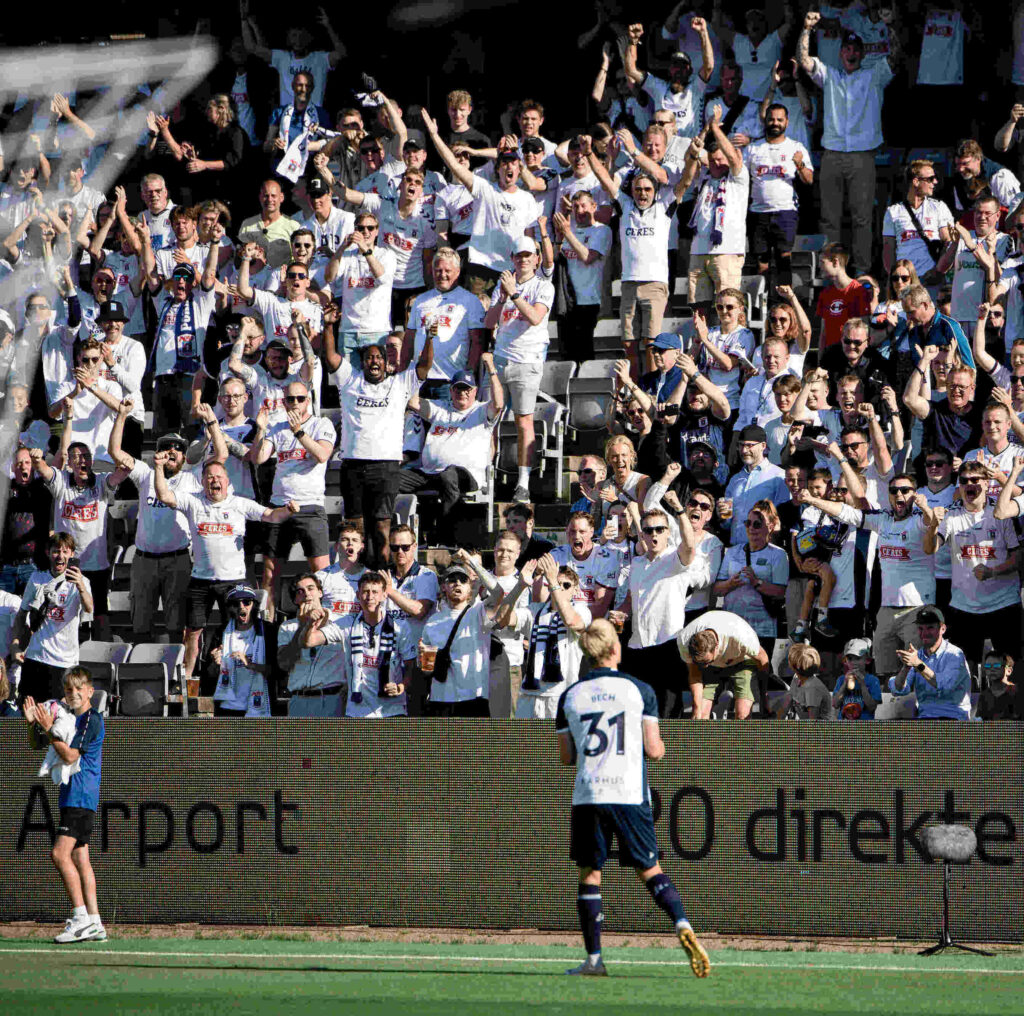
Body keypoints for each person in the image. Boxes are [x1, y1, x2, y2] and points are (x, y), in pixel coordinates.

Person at [556, 617, 710, 979]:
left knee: (591, 874)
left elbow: (566, 757)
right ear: (614, 649)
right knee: (650, 869)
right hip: (628, 792)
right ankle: (681, 923)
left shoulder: (571, 695)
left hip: (589, 793)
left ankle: (594, 960)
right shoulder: (639, 690)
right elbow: (654, 750)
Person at [154, 456, 299, 679]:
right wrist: (157, 467)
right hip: (200, 579)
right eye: (209, 477)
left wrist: (288, 510)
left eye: (219, 476)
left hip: (233, 581)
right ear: (202, 482)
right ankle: (186, 682)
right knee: (192, 632)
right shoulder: (194, 501)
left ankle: (233, 675)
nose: (214, 480)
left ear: (227, 481)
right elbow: (164, 495)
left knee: (235, 631)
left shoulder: (238, 503)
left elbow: (271, 515)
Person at [797, 473, 940, 682]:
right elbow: (843, 515)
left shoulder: (911, 519)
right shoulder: (880, 519)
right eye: (893, 491)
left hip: (909, 608)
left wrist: (926, 508)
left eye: (905, 490)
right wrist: (811, 500)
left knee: (915, 672)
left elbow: (930, 525)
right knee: (881, 673)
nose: (899, 494)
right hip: (881, 609)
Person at [798, 11, 900, 275]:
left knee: (862, 219)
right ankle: (832, 270)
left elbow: (896, 58)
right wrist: (807, 30)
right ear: (841, 52)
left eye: (856, 49)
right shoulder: (829, 75)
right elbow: (805, 61)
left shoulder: (874, 75)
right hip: (832, 154)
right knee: (829, 219)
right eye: (847, 49)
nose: (851, 53)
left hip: (862, 157)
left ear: (862, 54)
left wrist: (890, 27)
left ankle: (863, 271)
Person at [108, 403, 204, 645]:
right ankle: (142, 669)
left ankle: (175, 675)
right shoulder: (145, 474)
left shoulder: (192, 479)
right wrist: (121, 415)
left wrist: (211, 423)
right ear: (156, 453)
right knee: (140, 624)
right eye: (165, 448)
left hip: (178, 559)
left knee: (176, 625)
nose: (171, 452)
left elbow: (220, 456)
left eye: (177, 449)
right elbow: (116, 452)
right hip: (144, 560)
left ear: (184, 456)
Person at [23, 666, 106, 942]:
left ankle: (81, 918)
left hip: (81, 795)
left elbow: (70, 757)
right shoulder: (68, 716)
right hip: (72, 795)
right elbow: (39, 744)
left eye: (78, 689)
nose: (73, 694)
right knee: (81, 857)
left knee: (59, 854)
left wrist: (48, 728)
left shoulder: (91, 719)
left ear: (90, 691)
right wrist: (35, 725)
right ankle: (95, 922)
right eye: (69, 689)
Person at [247, 380, 335, 617]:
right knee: (269, 572)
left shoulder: (321, 424)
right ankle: (269, 625)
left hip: (310, 505)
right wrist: (261, 430)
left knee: (321, 572)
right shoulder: (277, 426)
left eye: (300, 398)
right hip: (280, 506)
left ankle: (325, 623)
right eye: (289, 399)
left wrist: (299, 432)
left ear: (309, 400)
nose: (295, 403)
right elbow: (258, 458)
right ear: (283, 402)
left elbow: (322, 454)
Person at [483, 237, 554, 502]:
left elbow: (535, 318)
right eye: (519, 255)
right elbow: (489, 323)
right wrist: (502, 298)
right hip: (501, 359)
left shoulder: (543, 286)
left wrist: (513, 294)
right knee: (490, 419)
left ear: (537, 258)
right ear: (512, 258)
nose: (523, 260)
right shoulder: (503, 287)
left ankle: (523, 483)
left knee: (524, 420)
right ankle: (485, 476)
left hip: (527, 360)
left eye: (528, 255)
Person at [609, 503, 697, 717]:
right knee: (637, 714)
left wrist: (679, 511)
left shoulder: (675, 559)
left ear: (668, 533)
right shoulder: (637, 564)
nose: (654, 534)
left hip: (668, 646)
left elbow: (690, 546)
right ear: (643, 535)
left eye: (660, 529)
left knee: (667, 716)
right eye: (649, 530)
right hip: (638, 647)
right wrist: (620, 613)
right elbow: (630, 600)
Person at [400, 361, 503, 543]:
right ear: (451, 390)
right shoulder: (441, 408)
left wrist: (491, 369)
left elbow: (499, 403)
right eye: (458, 389)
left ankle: (446, 539)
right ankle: (400, 536)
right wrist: (417, 371)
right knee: (392, 478)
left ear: (475, 391)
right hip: (431, 473)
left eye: (467, 389)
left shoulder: (481, 410)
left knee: (449, 475)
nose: (462, 393)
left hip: (467, 475)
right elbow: (413, 401)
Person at [933, 459, 1020, 671]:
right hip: (964, 606)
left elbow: (1019, 557)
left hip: (1003, 603)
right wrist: (932, 525)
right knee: (964, 671)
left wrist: (993, 571)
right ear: (959, 485)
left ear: (987, 484)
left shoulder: (1001, 512)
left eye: (975, 480)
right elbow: (932, 547)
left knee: (1011, 669)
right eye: (964, 481)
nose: (969, 484)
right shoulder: (951, 513)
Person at [301, 570, 416, 719]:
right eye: (365, 592)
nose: (370, 597)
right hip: (356, 711)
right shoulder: (348, 624)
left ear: (384, 595)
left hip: (391, 711)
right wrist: (310, 624)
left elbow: (411, 666)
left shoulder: (400, 627)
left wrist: (401, 687)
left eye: (375, 592)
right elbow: (309, 641)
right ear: (357, 595)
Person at [11, 533, 92, 704]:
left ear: (71, 554)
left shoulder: (81, 581)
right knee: (29, 713)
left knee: (59, 716)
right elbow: (21, 614)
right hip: (36, 657)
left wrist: (81, 587)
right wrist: (16, 645)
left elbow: (89, 608)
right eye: (56, 551)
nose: (60, 556)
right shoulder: (37, 578)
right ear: (48, 553)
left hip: (64, 661)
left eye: (65, 551)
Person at [419, 562, 505, 716]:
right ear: (444, 587)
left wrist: (470, 560)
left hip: (473, 698)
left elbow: (498, 593)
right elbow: (426, 671)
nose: (457, 583)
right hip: (440, 699)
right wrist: (425, 658)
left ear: (469, 587)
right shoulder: (432, 621)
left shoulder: (478, 612)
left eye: (463, 580)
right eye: (452, 580)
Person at [744, 104, 813, 288]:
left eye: (779, 120)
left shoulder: (795, 147)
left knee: (784, 259)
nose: (775, 123)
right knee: (761, 262)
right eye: (772, 119)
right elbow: (739, 176)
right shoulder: (753, 148)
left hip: (785, 212)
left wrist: (800, 165)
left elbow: (809, 180)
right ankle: (763, 305)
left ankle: (786, 305)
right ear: (765, 121)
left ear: (787, 122)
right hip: (758, 212)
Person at [624, 19, 714, 137]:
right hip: (663, 149)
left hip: (689, 148)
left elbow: (709, 66)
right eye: (675, 66)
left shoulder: (696, 88)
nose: (678, 70)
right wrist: (633, 41)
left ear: (690, 71)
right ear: (669, 70)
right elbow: (631, 70)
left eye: (683, 67)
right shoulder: (658, 87)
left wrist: (703, 33)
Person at [678, 608, 771, 720]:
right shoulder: (684, 640)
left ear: (717, 646)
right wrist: (697, 708)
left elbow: (763, 658)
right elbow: (695, 675)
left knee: (743, 715)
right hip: (713, 669)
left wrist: (764, 698)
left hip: (742, 661)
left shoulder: (742, 637)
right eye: (700, 663)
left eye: (707, 662)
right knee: (700, 715)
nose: (704, 666)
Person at [276, 572, 347, 716]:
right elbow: (284, 664)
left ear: (320, 592)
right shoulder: (287, 627)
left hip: (331, 698)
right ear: (295, 599)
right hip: (299, 699)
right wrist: (302, 626)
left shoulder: (341, 623)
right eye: (300, 591)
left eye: (310, 588)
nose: (307, 594)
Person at [890, 605, 972, 720]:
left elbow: (944, 686)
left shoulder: (955, 654)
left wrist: (917, 664)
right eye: (920, 628)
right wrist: (906, 668)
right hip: (925, 720)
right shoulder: (917, 656)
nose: (924, 633)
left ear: (943, 628)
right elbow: (898, 690)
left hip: (953, 719)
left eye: (930, 628)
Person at [209, 584, 276, 717]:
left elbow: (277, 672)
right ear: (229, 608)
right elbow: (210, 676)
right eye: (235, 603)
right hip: (228, 709)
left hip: (259, 706)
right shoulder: (221, 632)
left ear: (254, 605)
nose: (241, 607)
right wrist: (215, 663)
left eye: (247, 602)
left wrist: (251, 665)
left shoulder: (268, 631)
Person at [882, 160, 954, 281]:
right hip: (904, 279)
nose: (935, 182)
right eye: (930, 179)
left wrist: (939, 271)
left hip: (931, 277)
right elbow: (888, 248)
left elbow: (948, 242)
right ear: (916, 181)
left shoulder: (939, 207)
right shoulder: (893, 211)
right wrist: (894, 278)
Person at [720, 425, 789, 546]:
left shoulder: (778, 476)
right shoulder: (735, 479)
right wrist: (722, 515)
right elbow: (727, 523)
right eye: (741, 445)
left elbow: (784, 518)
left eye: (749, 445)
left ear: (763, 446)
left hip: (765, 550)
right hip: (735, 550)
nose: (744, 450)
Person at [0, 446, 52, 595]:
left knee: (33, 613)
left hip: (34, 566)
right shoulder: (5, 489)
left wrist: (40, 460)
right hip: (7, 567)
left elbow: (58, 464)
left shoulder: (43, 489)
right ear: (12, 467)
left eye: (27, 462)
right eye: (18, 463)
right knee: (3, 613)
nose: (23, 466)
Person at [814, 243, 872, 352]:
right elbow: (823, 333)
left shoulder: (858, 291)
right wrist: (820, 361)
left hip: (850, 354)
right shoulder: (825, 293)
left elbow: (865, 329)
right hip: (829, 356)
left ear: (835, 262)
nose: (819, 266)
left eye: (822, 262)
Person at [317, 523, 367, 618]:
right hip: (329, 631)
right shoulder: (321, 577)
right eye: (345, 539)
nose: (350, 543)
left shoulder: (370, 577)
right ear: (336, 546)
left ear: (361, 547)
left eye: (355, 540)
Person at [774, 644, 833, 719]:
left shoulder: (812, 688)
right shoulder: (796, 678)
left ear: (794, 667)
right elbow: (788, 701)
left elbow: (812, 720)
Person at [832, 637, 882, 720]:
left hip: (864, 727)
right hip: (844, 727)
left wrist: (862, 684)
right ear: (845, 661)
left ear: (867, 660)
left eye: (858, 658)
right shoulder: (841, 680)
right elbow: (835, 704)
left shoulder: (873, 680)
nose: (853, 663)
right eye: (850, 659)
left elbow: (872, 708)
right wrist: (844, 684)